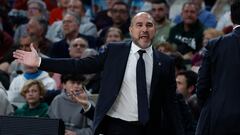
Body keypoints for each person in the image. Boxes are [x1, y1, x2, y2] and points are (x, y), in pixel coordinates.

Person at [13, 12, 183, 135]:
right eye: (139, 25)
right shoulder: (115, 51)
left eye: (149, 25)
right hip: (117, 126)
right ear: (131, 30)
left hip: (150, 128)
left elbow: (171, 103)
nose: (144, 29)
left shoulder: (165, 62)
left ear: (155, 31)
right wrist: (41, 62)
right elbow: (79, 65)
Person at [196, 1, 240, 134]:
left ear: (231, 17)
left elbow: (202, 84)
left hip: (219, 114)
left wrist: (209, 106)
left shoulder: (215, 44)